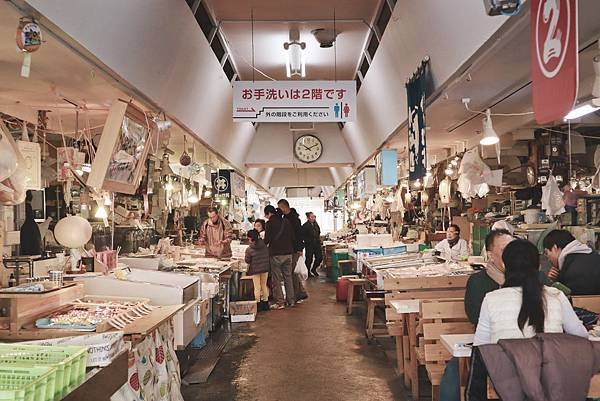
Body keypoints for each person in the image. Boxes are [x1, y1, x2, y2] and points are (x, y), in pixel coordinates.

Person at [466, 239, 588, 398]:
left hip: (506, 384)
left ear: (504, 266)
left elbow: (481, 347)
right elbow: (581, 336)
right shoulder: (556, 296)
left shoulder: (491, 299)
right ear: (538, 267)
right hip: (551, 380)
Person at [464, 229, 514, 324]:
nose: (511, 254)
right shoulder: (477, 282)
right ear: (490, 255)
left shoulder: (531, 278)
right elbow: (476, 317)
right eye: (505, 250)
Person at [542, 229, 600, 295]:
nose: (548, 259)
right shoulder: (594, 256)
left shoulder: (572, 271)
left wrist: (553, 283)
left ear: (555, 247)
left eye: (547, 253)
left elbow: (571, 301)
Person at [264, 205, 295, 309]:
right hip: (288, 253)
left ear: (269, 213)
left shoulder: (269, 223)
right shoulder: (286, 222)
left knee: (276, 279)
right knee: (288, 278)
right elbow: (292, 236)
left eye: (266, 215)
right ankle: (291, 301)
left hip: (276, 254)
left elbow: (267, 239)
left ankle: (280, 302)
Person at [277, 199, 308, 303]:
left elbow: (299, 234)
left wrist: (299, 248)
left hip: (295, 249)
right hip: (290, 248)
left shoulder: (294, 219)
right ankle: (300, 292)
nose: (279, 209)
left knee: (293, 272)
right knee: (293, 272)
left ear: (285, 207)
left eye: (280, 207)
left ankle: (298, 294)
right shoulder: (285, 218)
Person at [244, 229, 270, 311]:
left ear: (250, 238)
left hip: (255, 270)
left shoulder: (249, 249)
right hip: (265, 268)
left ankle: (258, 304)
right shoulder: (264, 245)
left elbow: (247, 260)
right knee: (264, 285)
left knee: (257, 287)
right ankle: (266, 303)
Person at [302, 212, 323, 277]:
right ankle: (308, 272)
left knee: (319, 257)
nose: (313, 218)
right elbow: (303, 235)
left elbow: (318, 232)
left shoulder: (316, 224)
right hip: (309, 245)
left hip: (317, 244)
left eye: (314, 216)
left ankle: (313, 269)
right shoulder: (305, 226)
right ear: (308, 218)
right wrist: (307, 241)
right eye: (312, 217)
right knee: (309, 259)